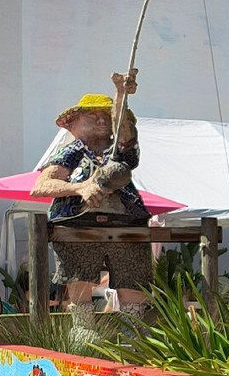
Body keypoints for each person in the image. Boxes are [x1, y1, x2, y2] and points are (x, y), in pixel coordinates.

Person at [33, 70, 151, 307]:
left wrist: (120, 95)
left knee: (134, 290)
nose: (100, 120)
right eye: (92, 115)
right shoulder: (73, 151)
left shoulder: (119, 152)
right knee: (80, 286)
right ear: (75, 123)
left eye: (106, 116)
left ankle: (134, 334)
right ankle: (84, 332)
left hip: (126, 223)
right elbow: (41, 186)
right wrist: (81, 188)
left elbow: (126, 137)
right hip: (78, 223)